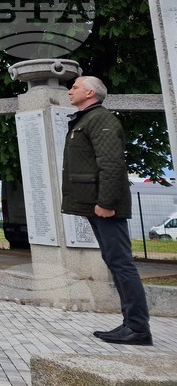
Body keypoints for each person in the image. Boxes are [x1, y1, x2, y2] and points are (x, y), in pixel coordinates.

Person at [61, 75, 151, 346]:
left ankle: (138, 328)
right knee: (115, 262)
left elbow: (111, 164)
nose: (70, 90)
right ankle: (131, 325)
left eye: (75, 87)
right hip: (96, 206)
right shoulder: (86, 119)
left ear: (90, 93)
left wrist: (106, 203)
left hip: (105, 207)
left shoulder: (101, 119)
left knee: (121, 264)